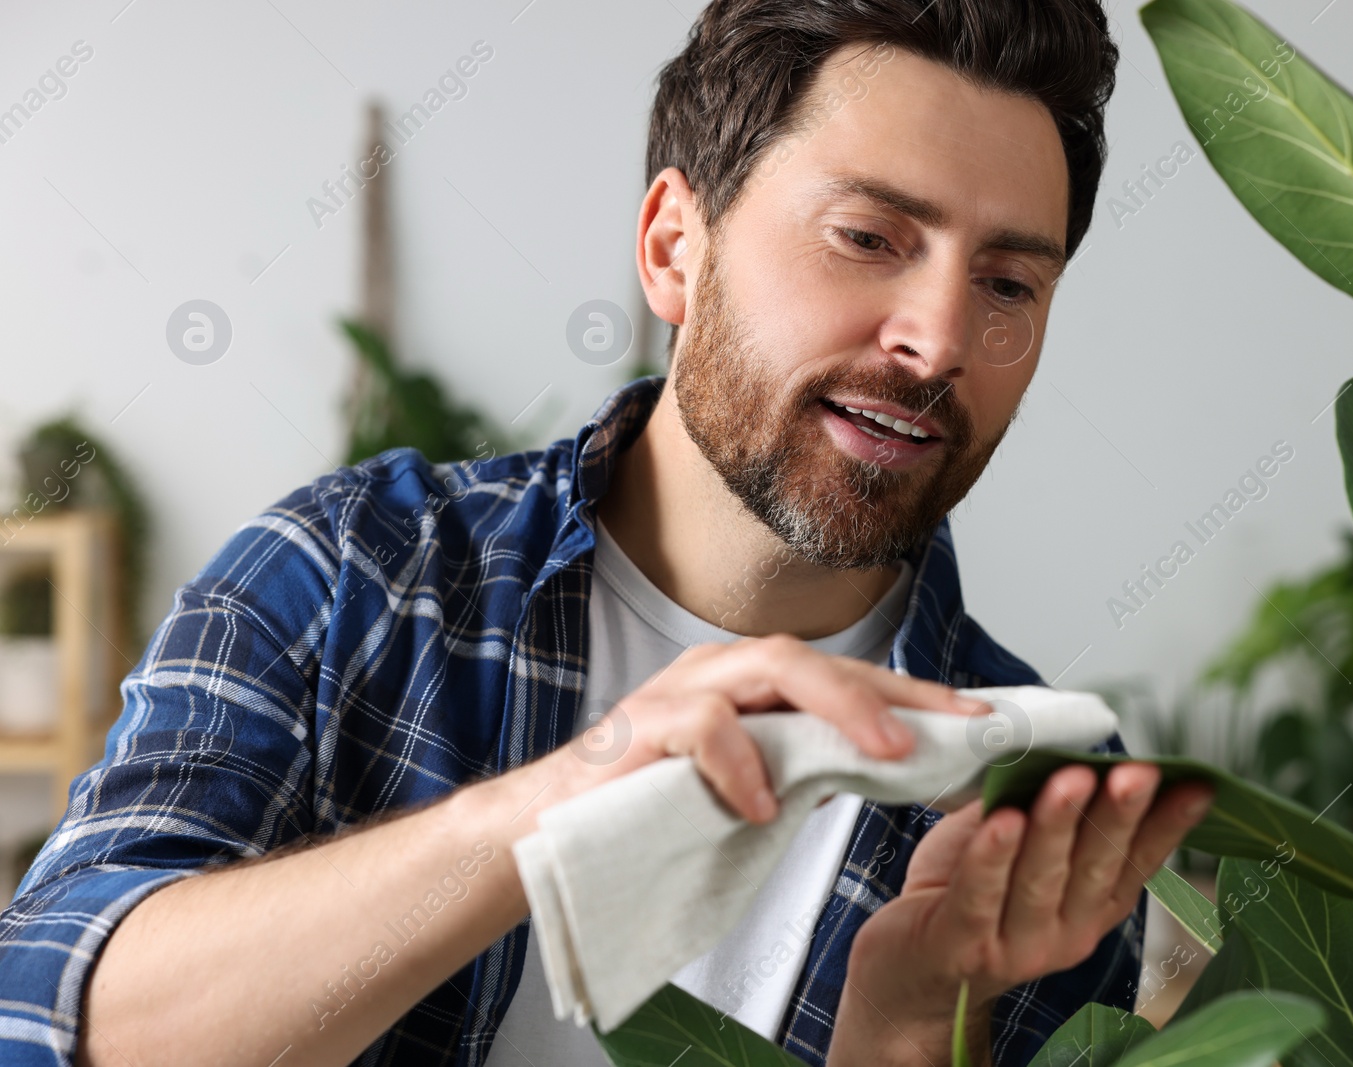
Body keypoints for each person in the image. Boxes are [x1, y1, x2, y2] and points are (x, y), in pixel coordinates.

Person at [0, 1, 1214, 1064]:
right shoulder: (352, 577)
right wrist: (555, 805)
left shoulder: (1040, 803)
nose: (940, 338)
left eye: (1008, 282)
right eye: (868, 237)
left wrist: (903, 1023)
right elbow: (45, 1015)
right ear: (673, 249)